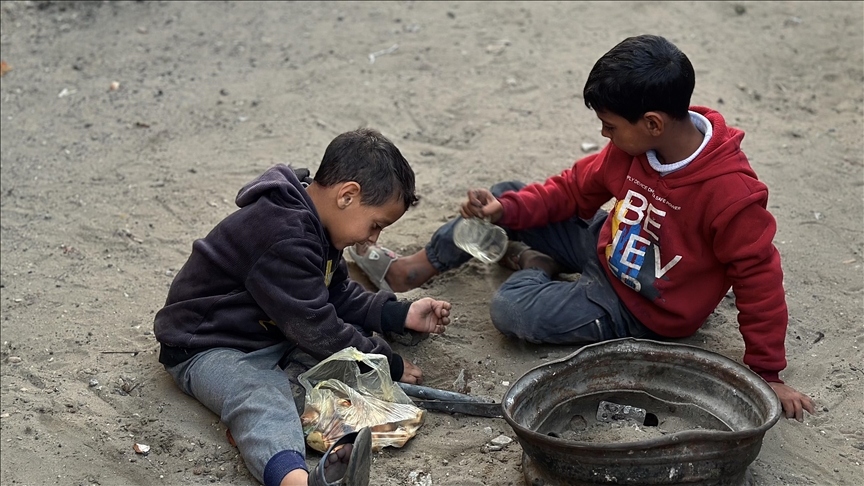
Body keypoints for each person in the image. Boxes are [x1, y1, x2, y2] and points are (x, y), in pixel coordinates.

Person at [348, 35, 815, 422]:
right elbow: (573, 191)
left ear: (652, 123)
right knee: (509, 196)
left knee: (513, 310)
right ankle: (417, 267)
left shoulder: (731, 194)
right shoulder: (633, 148)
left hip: (640, 307)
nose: (605, 135)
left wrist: (767, 372)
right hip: (603, 243)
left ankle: (535, 263)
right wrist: (503, 210)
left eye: (609, 126)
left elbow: (761, 282)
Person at [153, 128, 452, 486]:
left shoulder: (319, 224)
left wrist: (398, 314)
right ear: (347, 195)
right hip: (209, 345)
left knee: (346, 359)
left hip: (272, 330)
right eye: (375, 225)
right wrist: (389, 363)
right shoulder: (284, 235)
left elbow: (334, 293)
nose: (374, 239)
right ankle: (297, 480)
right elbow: (318, 327)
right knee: (262, 398)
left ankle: (307, 413)